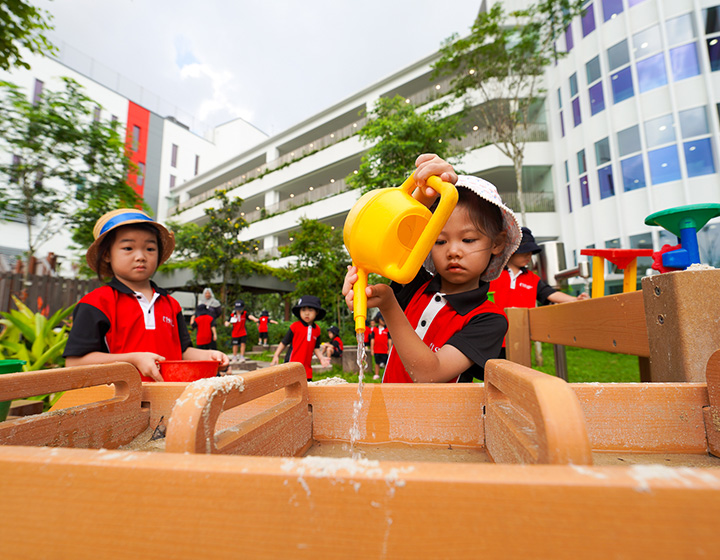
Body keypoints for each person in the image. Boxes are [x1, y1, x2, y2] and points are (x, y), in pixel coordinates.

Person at [343, 153, 521, 383]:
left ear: (496, 243)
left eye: (468, 240)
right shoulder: (412, 283)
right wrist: (427, 190)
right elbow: (394, 233)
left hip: (441, 420)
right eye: (439, 240)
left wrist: (388, 304)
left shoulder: (488, 319)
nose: (453, 251)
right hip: (388, 417)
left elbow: (430, 374)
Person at [63, 209, 229, 381]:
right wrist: (132, 360)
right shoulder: (96, 302)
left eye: (150, 248)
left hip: (170, 401)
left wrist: (209, 355)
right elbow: (75, 363)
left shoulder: (172, 304)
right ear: (107, 255)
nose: (141, 256)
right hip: (118, 403)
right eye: (128, 248)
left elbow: (182, 351)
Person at [489, 226, 589, 358]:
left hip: (521, 338)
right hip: (492, 338)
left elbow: (549, 293)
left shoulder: (532, 278)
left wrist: (575, 300)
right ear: (510, 250)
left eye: (531, 252)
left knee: (519, 373)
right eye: (524, 251)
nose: (528, 255)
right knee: (492, 374)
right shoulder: (492, 274)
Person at [270, 295, 330, 380]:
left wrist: (321, 358)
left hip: (306, 369)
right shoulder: (295, 327)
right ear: (299, 312)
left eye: (310, 310)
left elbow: (316, 348)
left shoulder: (317, 330)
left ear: (316, 312)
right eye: (303, 310)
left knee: (306, 390)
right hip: (291, 366)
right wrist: (276, 355)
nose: (307, 313)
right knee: (290, 390)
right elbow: (284, 342)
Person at [369, 313, 392, 380]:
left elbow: (389, 340)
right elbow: (372, 340)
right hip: (377, 349)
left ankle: (387, 375)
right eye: (382, 320)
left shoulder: (387, 329)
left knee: (386, 363)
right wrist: (372, 349)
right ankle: (376, 374)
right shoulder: (374, 330)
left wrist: (389, 349)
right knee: (377, 363)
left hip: (385, 350)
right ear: (378, 320)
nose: (383, 321)